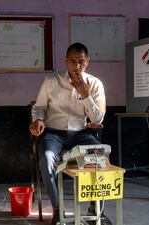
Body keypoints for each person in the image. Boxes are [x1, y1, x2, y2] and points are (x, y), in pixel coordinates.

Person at [30, 42, 111, 225]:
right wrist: (39, 120)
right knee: (46, 158)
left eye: (81, 62)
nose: (77, 66)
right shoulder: (52, 81)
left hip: (81, 134)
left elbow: (98, 120)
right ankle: (58, 209)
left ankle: (95, 208)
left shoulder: (95, 84)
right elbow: (39, 108)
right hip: (53, 133)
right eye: (72, 61)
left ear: (87, 62)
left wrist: (85, 94)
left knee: (100, 156)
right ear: (65, 61)